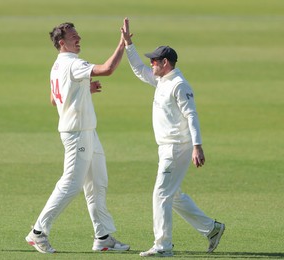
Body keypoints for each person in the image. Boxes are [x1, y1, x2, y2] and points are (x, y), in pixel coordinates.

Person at [121, 18, 225, 257]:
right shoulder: (161, 80)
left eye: (154, 60)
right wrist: (128, 44)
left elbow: (192, 115)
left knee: (161, 194)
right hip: (166, 147)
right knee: (173, 195)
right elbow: (138, 69)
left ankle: (163, 245)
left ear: (165, 63)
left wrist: (197, 147)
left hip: (177, 147)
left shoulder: (179, 84)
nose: (151, 63)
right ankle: (211, 229)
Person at [25, 21, 130, 254]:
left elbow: (55, 99)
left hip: (88, 131)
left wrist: (83, 89)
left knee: (97, 183)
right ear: (62, 43)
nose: (79, 38)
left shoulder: (57, 65)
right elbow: (108, 69)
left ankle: (102, 237)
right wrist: (122, 44)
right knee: (71, 184)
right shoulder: (73, 63)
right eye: (74, 37)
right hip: (77, 133)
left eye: (78, 34)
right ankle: (38, 232)